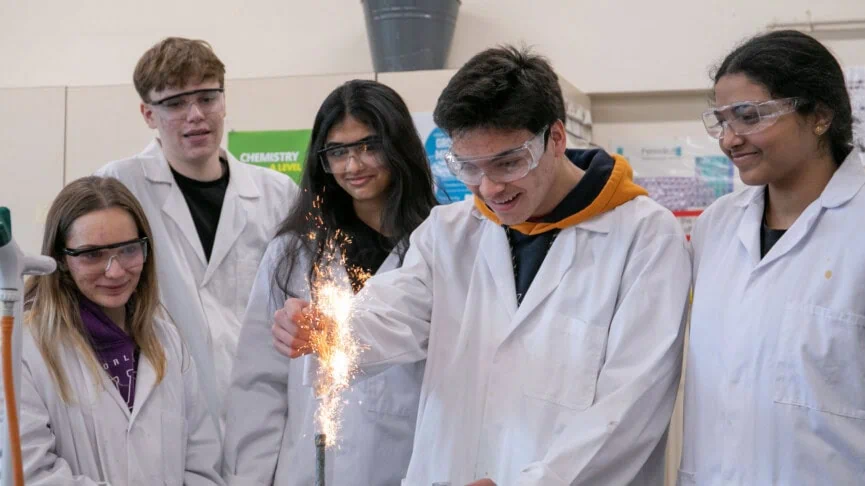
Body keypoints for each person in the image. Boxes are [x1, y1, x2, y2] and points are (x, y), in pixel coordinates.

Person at [273, 46, 692, 485]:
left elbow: (631, 406)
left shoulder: (643, 236)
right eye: (469, 167)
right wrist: (333, 329)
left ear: (557, 137)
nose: (490, 188)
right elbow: (393, 312)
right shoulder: (450, 231)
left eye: (509, 163)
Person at [223, 79, 437, 485]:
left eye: (369, 146)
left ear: (399, 147)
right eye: (338, 152)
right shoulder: (293, 253)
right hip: (309, 468)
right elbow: (259, 383)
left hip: (407, 464)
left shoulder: (438, 245)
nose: (353, 166)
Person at [679, 30, 865, 485]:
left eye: (749, 116)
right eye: (722, 121)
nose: (729, 140)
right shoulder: (715, 228)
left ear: (820, 115)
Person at [96, 37, 299, 423]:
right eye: (174, 103)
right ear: (148, 114)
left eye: (207, 98)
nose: (195, 115)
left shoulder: (277, 194)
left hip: (264, 404)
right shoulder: (118, 186)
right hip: (161, 401)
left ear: (224, 100)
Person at [18, 176, 224, 485]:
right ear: (60, 260)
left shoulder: (166, 339)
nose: (115, 271)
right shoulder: (23, 348)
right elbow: (33, 473)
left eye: (128, 250)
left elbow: (201, 463)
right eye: (91, 255)